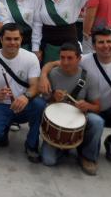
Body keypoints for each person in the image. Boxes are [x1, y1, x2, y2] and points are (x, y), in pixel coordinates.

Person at [40, 28, 111, 163]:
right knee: (49, 161)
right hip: (84, 110)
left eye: (109, 42)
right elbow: (57, 63)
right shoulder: (84, 60)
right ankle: (71, 146)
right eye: (101, 42)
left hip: (105, 110)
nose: (106, 45)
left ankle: (106, 146)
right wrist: (43, 76)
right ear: (94, 46)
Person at [0, 23, 46, 162]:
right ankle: (3, 130)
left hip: (24, 104)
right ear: (1, 40)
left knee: (40, 105)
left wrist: (25, 96)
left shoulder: (30, 58)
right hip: (0, 105)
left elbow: (35, 86)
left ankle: (31, 145)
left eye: (16, 39)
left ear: (21, 40)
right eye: (8, 39)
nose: (12, 43)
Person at [41, 43, 104, 175]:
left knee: (97, 121)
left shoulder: (89, 77)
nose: (65, 62)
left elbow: (97, 107)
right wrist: (53, 97)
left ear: (79, 59)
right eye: (62, 57)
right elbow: (45, 101)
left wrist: (87, 106)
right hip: (57, 121)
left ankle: (88, 157)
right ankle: (66, 146)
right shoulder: (52, 74)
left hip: (79, 118)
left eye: (70, 58)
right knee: (48, 161)